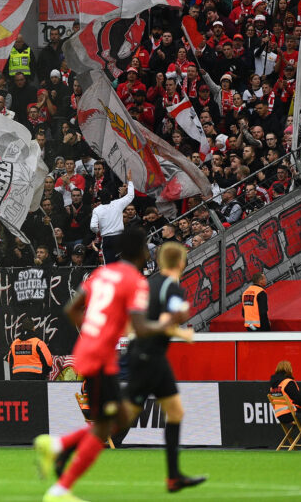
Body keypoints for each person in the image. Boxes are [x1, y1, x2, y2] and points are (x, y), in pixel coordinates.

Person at [33, 227, 192, 501]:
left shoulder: (101, 273)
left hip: (94, 353)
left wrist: (94, 332)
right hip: (98, 357)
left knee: (116, 419)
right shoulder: (136, 282)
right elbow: (141, 329)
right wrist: (170, 322)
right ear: (143, 252)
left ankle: (59, 454)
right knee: (106, 426)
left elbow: (72, 308)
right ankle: (59, 478)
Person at [121, 242, 206, 491]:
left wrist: (175, 328)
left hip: (149, 355)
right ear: (181, 262)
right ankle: (67, 447)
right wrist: (181, 322)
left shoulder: (148, 284)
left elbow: (138, 320)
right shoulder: (172, 286)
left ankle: (173, 477)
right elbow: (175, 315)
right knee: (122, 419)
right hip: (149, 357)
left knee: (175, 411)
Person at [88, 169, 135, 264]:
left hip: (106, 239)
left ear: (100, 198)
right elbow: (130, 195)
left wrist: (100, 231)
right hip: (119, 238)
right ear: (110, 196)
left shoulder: (97, 210)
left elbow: (92, 226)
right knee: (122, 262)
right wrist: (130, 181)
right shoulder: (117, 203)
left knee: (110, 265)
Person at [268, 361, 301, 427]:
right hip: (291, 414)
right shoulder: (287, 382)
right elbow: (298, 399)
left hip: (280, 416)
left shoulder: (273, 386)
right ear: (289, 369)